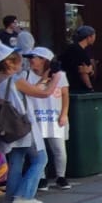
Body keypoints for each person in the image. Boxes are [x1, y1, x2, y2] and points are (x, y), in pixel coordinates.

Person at [0, 43, 59, 203]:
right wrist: (56, 78)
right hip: (23, 124)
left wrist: (43, 80)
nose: (21, 62)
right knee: (40, 159)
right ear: (9, 62)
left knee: (16, 159)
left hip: (9, 127)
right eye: (17, 59)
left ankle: (12, 195)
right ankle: (24, 195)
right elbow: (44, 94)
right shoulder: (16, 79)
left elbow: (27, 92)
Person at [26, 47, 70, 191]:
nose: (31, 60)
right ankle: (41, 177)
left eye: (34, 57)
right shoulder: (27, 75)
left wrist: (64, 114)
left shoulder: (59, 75)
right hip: (36, 117)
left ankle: (61, 176)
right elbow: (29, 91)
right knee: (39, 149)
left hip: (54, 116)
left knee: (59, 148)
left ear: (44, 60)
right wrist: (43, 79)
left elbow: (65, 95)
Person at [57, 25, 97, 92]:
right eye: (94, 36)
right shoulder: (79, 51)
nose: (95, 38)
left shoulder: (72, 48)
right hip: (76, 86)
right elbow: (83, 71)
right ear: (89, 37)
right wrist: (90, 88)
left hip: (66, 83)